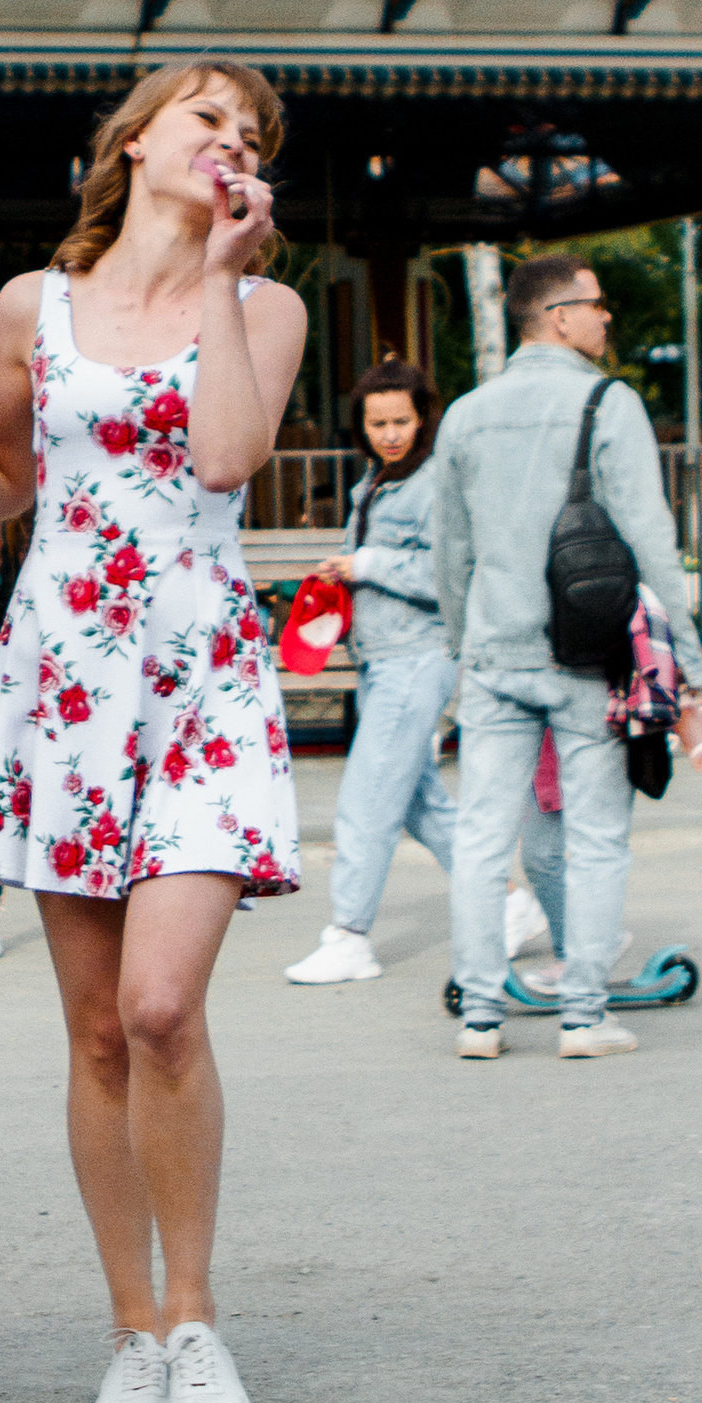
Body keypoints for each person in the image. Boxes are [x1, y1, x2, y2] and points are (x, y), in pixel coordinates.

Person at [0, 59, 304, 1403]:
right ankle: (131, 1329)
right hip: (65, 677)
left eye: (251, 132)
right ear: (136, 140)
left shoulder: (263, 306)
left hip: (202, 674)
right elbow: (0, 482)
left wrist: (220, 277)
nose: (229, 140)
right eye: (206, 117)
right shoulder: (35, 304)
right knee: (95, 1031)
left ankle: (199, 1316)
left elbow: (224, 458)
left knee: (163, 1009)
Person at [432, 253, 702, 1061]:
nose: (606, 320)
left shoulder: (466, 414)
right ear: (558, 316)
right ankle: (584, 1016)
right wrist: (686, 668)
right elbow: (651, 543)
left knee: (484, 837)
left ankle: (481, 1016)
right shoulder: (610, 403)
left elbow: (448, 554)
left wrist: (468, 646)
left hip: (494, 658)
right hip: (588, 659)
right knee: (595, 837)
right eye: (598, 306)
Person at [282, 358, 463, 987]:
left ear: (423, 419)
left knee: (364, 802)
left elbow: (449, 577)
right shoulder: (376, 481)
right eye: (378, 422)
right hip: (384, 661)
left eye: (402, 421)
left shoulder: (435, 482)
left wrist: (366, 565)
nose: (390, 433)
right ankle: (511, 907)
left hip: (416, 658)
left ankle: (350, 937)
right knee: (421, 805)